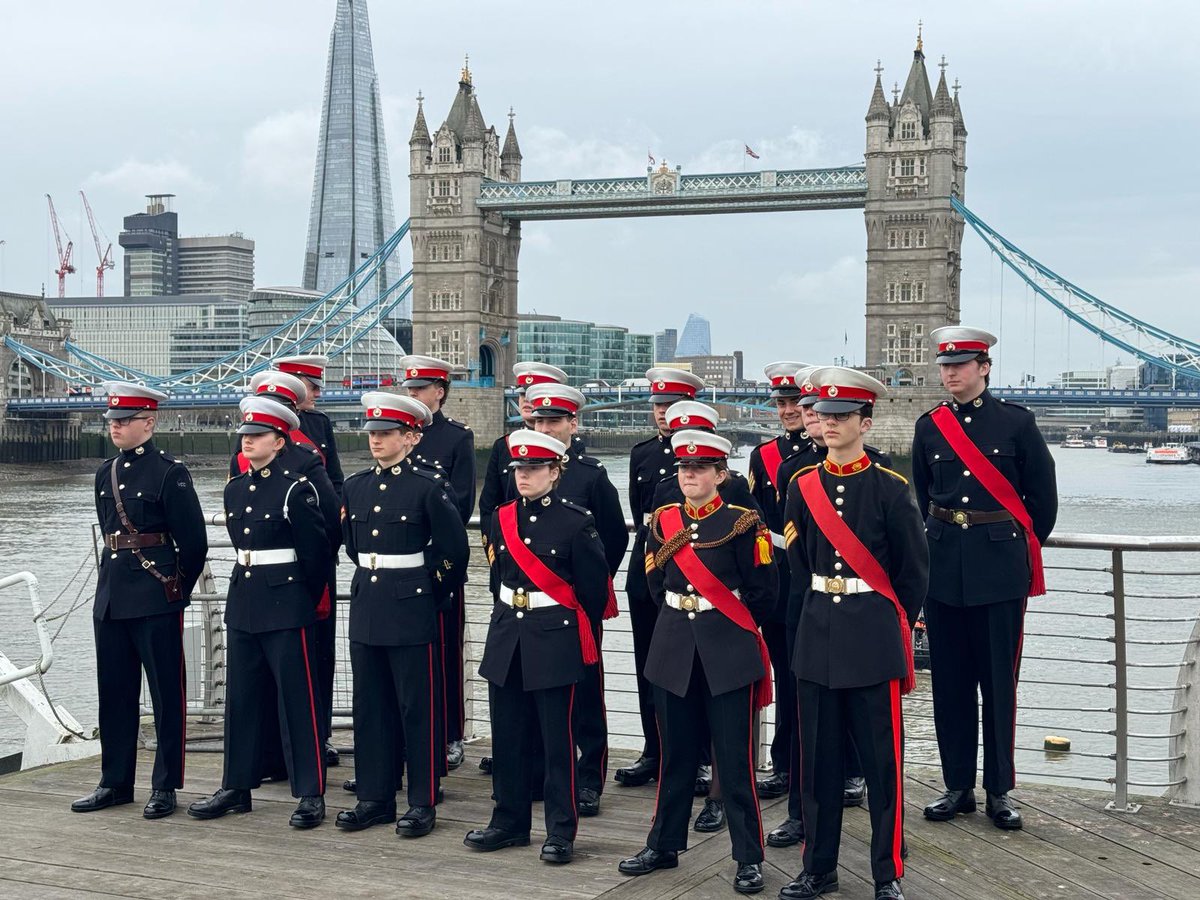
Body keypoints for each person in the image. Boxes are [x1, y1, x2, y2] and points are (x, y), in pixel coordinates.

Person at [780, 367, 927, 900]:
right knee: (816, 765)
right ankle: (819, 869)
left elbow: (913, 573)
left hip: (872, 638)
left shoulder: (891, 488)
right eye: (826, 414)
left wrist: (894, 628)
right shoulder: (802, 487)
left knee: (882, 766)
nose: (831, 423)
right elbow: (799, 565)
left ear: (866, 422)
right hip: (818, 636)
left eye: (843, 416)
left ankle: (887, 874)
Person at [619, 430, 777, 896]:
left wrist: (719, 624)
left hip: (726, 651)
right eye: (685, 469)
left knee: (734, 764)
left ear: (720, 475)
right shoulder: (664, 520)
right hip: (673, 650)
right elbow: (654, 583)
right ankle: (664, 845)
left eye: (701, 468)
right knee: (676, 759)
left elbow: (764, 595)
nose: (690, 474)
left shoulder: (744, 523)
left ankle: (748, 857)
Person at [914, 327, 1057, 832]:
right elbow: (922, 497)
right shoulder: (929, 426)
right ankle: (957, 787)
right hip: (943, 569)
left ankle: (998, 790)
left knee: (999, 684)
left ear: (985, 367)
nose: (950, 372)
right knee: (949, 684)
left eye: (961, 364)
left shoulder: (1017, 424)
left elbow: (1042, 503)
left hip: (999, 572)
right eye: (945, 366)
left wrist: (1008, 547)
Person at [464, 430, 610, 864]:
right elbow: (497, 581)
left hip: (554, 637)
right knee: (506, 737)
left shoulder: (576, 522)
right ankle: (508, 821)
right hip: (509, 634)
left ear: (554, 472)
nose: (523, 476)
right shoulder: (500, 517)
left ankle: (561, 830)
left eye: (533, 469)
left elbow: (593, 594)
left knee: (556, 741)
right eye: (519, 469)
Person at [187, 397, 330, 828]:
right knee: (241, 701)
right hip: (245, 602)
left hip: (287, 603)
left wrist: (300, 598)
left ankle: (310, 792)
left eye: (257, 436)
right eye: (244, 436)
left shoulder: (295, 488)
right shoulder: (235, 488)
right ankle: (236, 786)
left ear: (279, 441)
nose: (247, 442)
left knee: (298, 702)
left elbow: (317, 556)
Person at [334, 393, 469, 838]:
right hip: (369, 604)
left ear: (410, 437)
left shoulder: (430, 486)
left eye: (386, 433)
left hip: (411, 604)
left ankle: (422, 801)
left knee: (418, 708)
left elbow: (453, 552)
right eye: (372, 433)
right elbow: (353, 548)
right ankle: (375, 797)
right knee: (370, 706)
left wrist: (428, 594)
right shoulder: (355, 487)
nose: (376, 440)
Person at [71, 383, 207, 820]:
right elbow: (110, 533)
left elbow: (194, 543)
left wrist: (176, 593)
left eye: (124, 420)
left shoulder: (171, 473)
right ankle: (115, 782)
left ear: (149, 423)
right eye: (111, 420)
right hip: (111, 597)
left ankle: (165, 785)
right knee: (114, 692)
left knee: (167, 694)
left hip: (155, 597)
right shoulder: (104, 472)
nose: (115, 426)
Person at [232, 371, 341, 784]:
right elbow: (240, 526)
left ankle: (307, 782)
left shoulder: (306, 465)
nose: (247, 439)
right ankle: (247, 775)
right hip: (251, 594)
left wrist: (303, 590)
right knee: (248, 694)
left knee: (300, 687)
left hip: (292, 592)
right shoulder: (242, 470)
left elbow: (326, 528)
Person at [525, 382, 628, 816]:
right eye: (539, 419)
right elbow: (499, 525)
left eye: (554, 421)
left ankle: (589, 779)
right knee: (532, 692)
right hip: (528, 605)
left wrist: (589, 591)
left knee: (585, 694)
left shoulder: (591, 476)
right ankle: (538, 774)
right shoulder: (519, 467)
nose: (545, 427)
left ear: (573, 423)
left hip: (576, 607)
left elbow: (615, 537)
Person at [617, 367, 705, 790]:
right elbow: (642, 518)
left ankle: (699, 756)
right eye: (657, 404)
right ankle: (654, 749)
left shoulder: (708, 461)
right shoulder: (642, 454)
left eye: (671, 404)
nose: (662, 412)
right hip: (648, 571)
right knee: (647, 665)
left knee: (694, 669)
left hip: (692, 576)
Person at [401, 354, 476, 772]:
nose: (412, 395)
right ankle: (405, 737)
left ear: (439, 393)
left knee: (445, 651)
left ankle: (450, 735)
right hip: (399, 564)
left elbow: (461, 505)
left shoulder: (456, 438)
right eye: (408, 389)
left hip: (437, 563)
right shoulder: (398, 434)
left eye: (419, 390)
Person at [273, 355, 343, 768]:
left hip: (315, 558)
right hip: (273, 566)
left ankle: (322, 733)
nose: (316, 393)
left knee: (321, 652)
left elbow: (334, 485)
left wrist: (325, 540)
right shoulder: (253, 432)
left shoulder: (320, 427)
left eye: (316, 387)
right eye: (310, 385)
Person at [747, 363, 811, 807]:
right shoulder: (762, 457)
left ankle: (846, 768)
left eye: (796, 403)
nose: (789, 410)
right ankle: (786, 762)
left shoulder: (825, 452)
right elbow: (756, 523)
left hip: (820, 578)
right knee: (786, 677)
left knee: (828, 679)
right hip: (779, 580)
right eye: (782, 403)